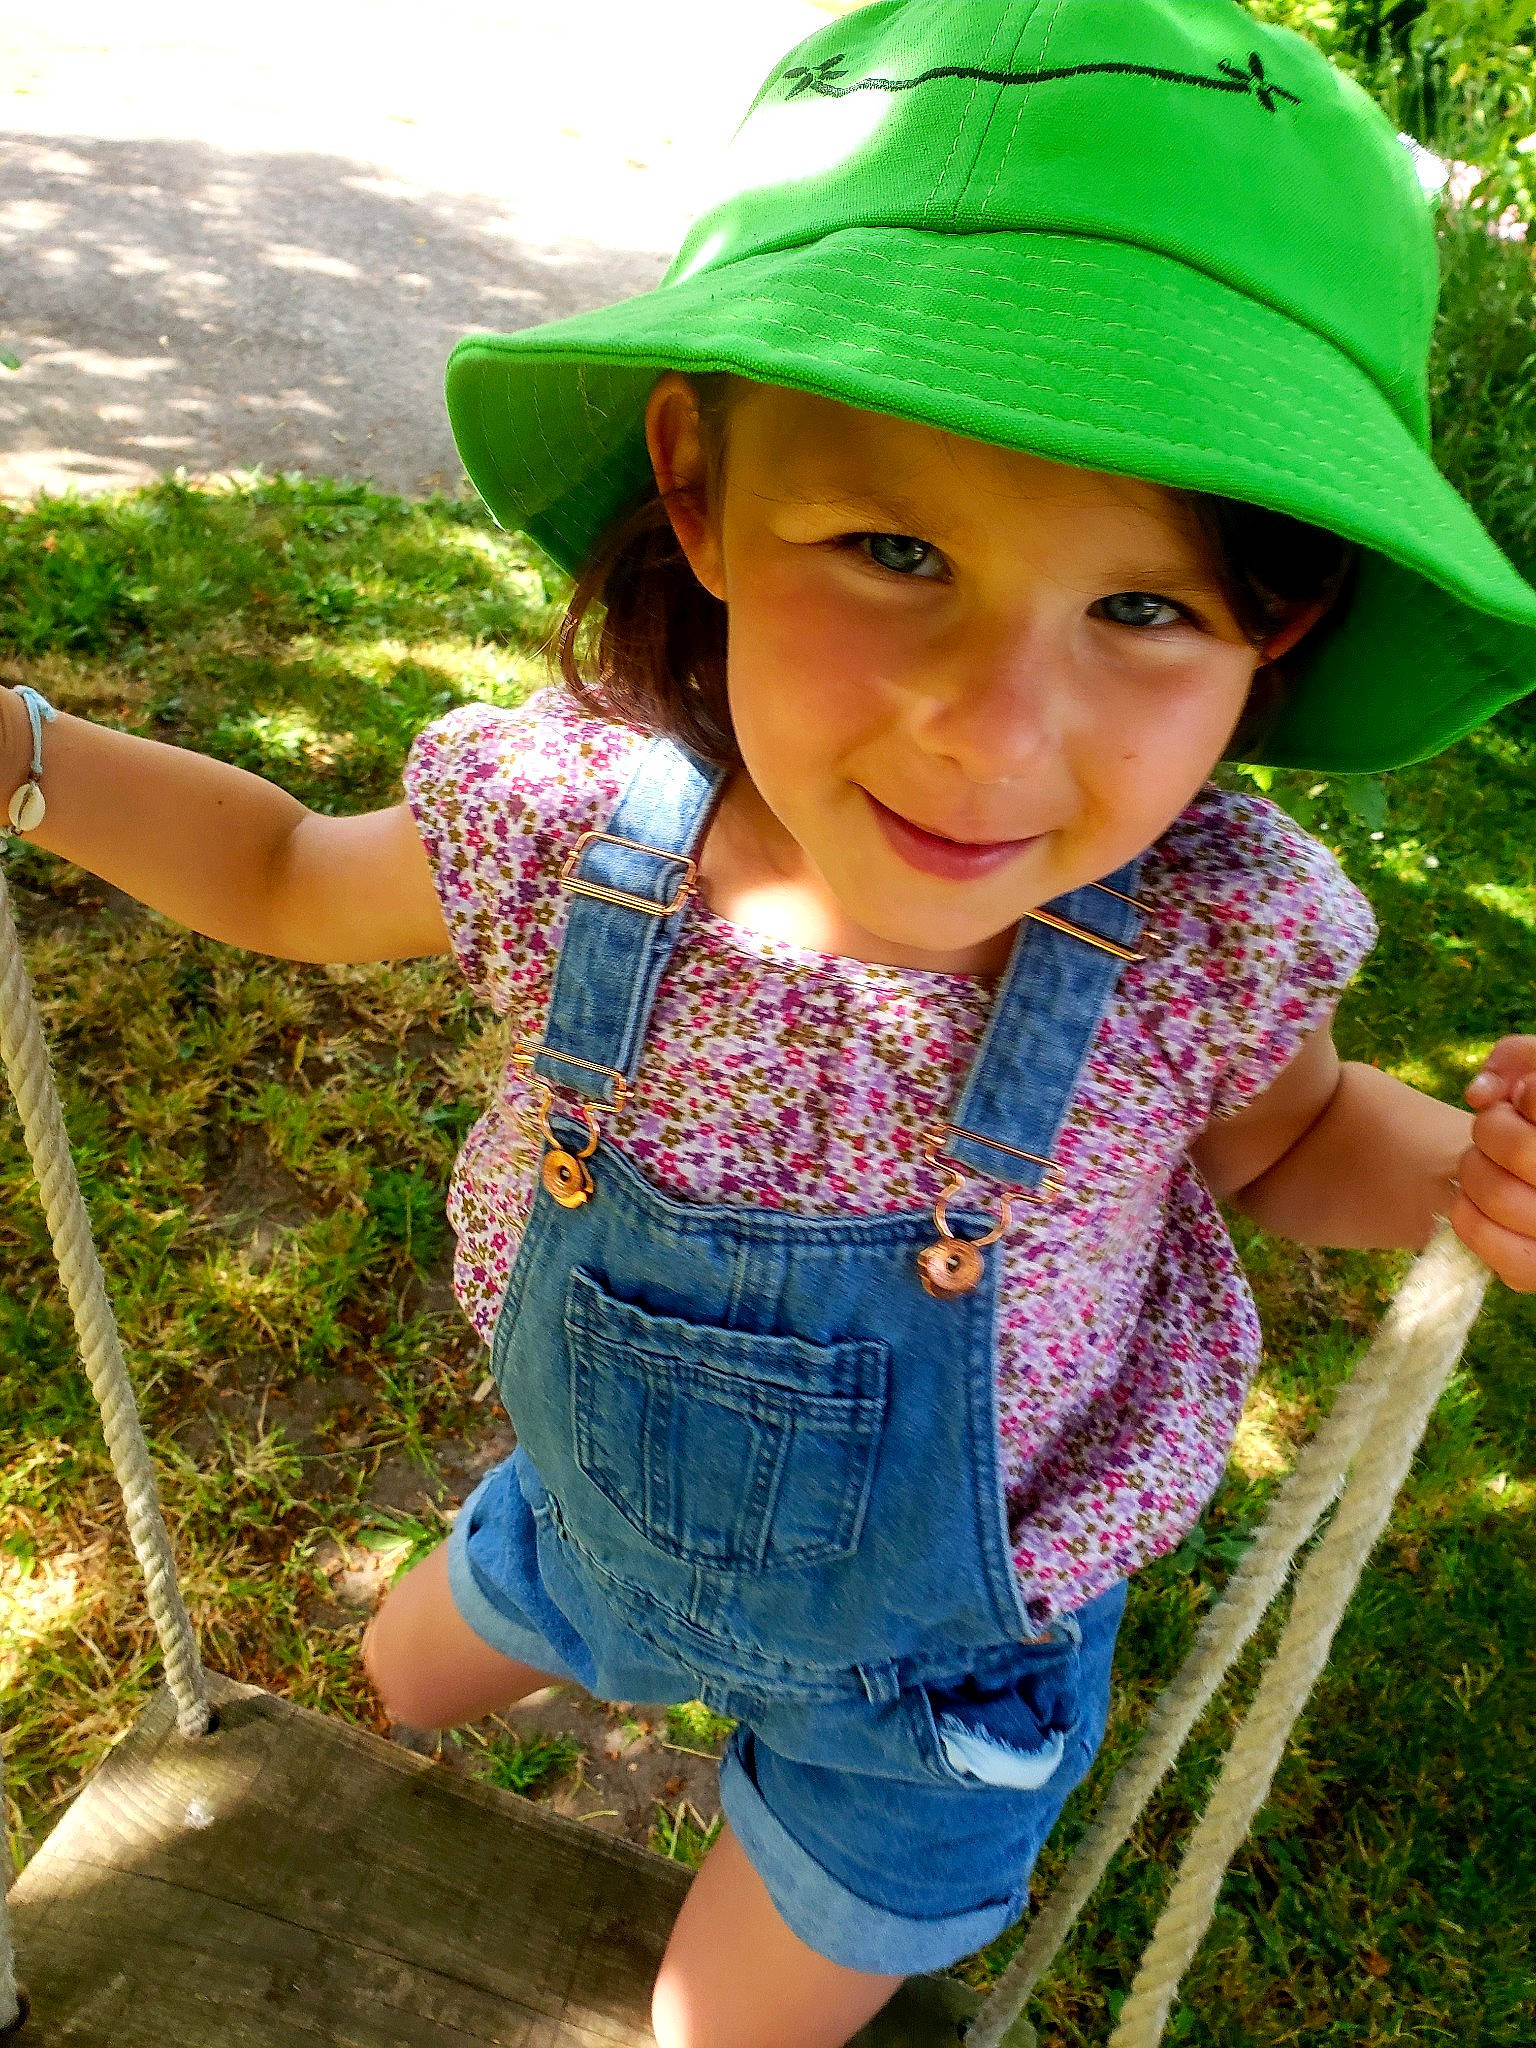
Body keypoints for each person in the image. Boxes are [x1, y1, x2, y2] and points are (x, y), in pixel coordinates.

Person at [6, 4, 1536, 2044]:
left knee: (708, 2029)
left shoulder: (1196, 950)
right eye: (896, 550)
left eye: (1144, 610)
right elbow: (289, 871)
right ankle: (550, 1622)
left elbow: (1290, 1144)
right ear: (703, 493)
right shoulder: (572, 836)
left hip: (930, 1684)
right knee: (395, 1674)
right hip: (601, 1514)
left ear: (1278, 636)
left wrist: (1466, 1173)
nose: (993, 731)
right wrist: (27, 754)